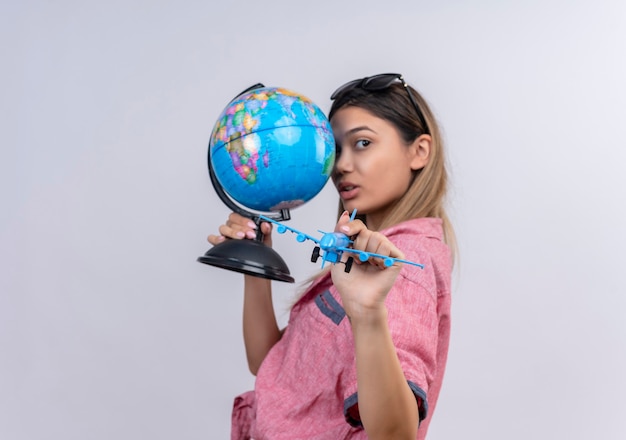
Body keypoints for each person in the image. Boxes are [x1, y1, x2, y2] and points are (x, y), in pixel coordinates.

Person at [208, 73, 455, 440]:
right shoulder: (362, 254)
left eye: (363, 143)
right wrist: (257, 257)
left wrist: (369, 314)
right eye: (337, 150)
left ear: (419, 151)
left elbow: (394, 434)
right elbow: (269, 366)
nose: (340, 166)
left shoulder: (399, 264)